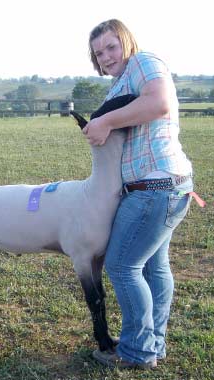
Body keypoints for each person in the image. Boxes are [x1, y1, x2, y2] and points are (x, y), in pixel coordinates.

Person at [83, 19, 193, 370]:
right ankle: (152, 345)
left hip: (155, 187)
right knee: (154, 268)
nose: (106, 57)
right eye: (99, 53)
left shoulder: (143, 62)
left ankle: (136, 351)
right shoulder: (118, 83)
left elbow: (159, 103)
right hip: (164, 185)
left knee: (122, 266)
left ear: (126, 42)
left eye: (111, 47)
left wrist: (105, 122)